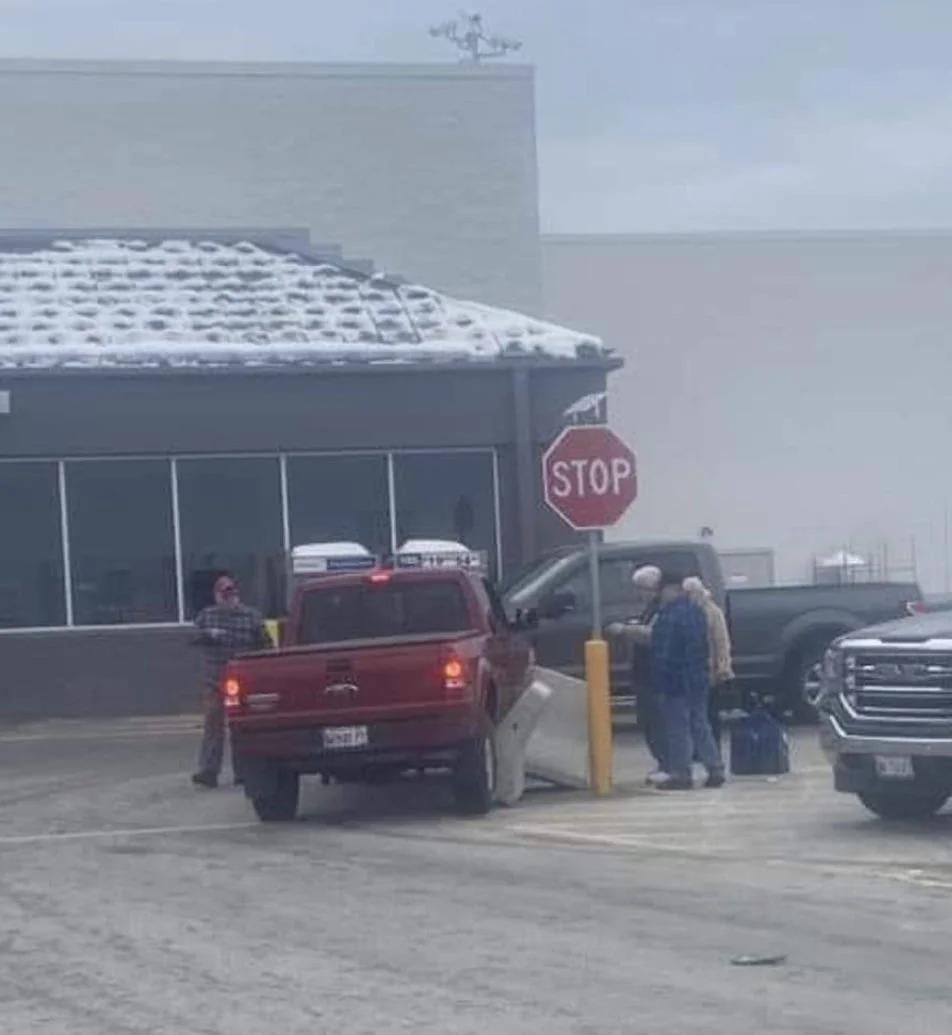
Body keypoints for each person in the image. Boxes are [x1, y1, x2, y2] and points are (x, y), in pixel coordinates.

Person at [192, 573, 272, 789]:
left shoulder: (251, 617)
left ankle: (244, 772)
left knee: (240, 727)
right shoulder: (206, 617)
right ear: (216, 595)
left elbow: (266, 645)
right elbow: (192, 638)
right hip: (214, 680)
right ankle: (208, 772)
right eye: (224, 593)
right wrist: (208, 634)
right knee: (213, 724)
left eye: (232, 592)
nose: (229, 597)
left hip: (243, 680)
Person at [650, 571, 725, 791]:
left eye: (661, 590)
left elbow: (664, 651)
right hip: (697, 677)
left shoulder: (670, 615)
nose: (659, 595)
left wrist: (661, 678)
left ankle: (681, 774)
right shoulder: (696, 611)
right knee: (700, 724)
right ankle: (715, 768)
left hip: (675, 680)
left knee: (678, 728)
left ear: (671, 589)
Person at [607, 565, 668, 783]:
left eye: (641, 588)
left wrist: (626, 630)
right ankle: (663, 763)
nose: (639, 593)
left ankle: (667, 764)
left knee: (658, 721)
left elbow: (653, 635)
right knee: (648, 720)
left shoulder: (661, 608)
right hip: (644, 673)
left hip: (655, 674)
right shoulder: (650, 608)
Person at [683, 576, 735, 745]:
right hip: (694, 669)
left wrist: (723, 667)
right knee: (696, 713)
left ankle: (714, 746)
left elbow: (721, 641)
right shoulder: (688, 611)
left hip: (710, 671)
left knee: (710, 713)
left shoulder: (712, 612)